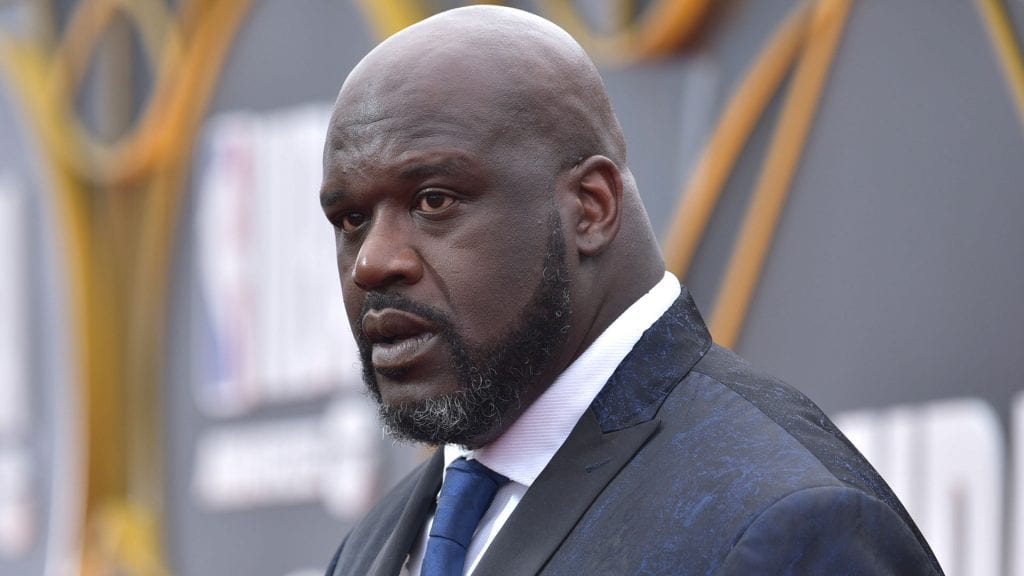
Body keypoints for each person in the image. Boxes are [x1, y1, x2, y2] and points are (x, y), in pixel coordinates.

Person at [319, 5, 942, 575]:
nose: (372, 263)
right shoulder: (374, 547)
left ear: (591, 208)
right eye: (351, 220)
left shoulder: (785, 526)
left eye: (433, 201)